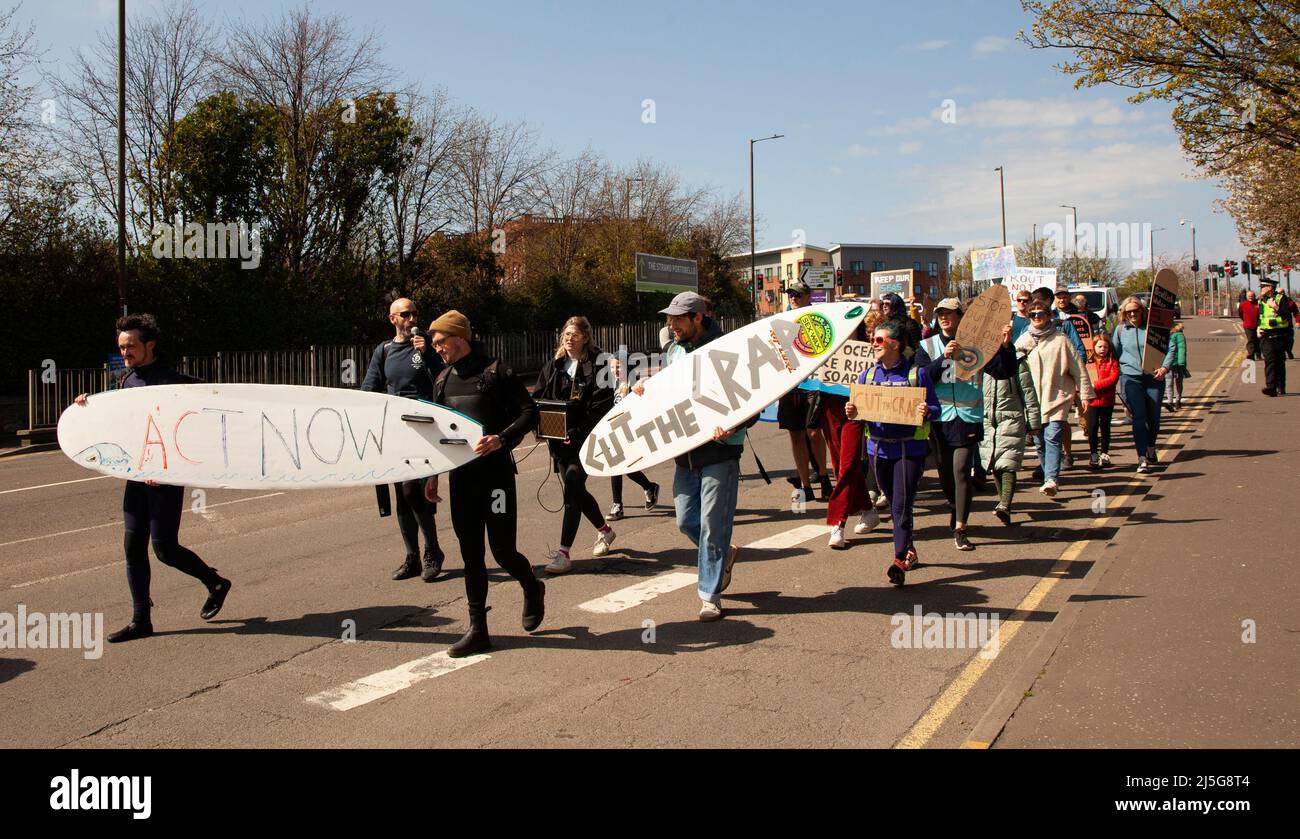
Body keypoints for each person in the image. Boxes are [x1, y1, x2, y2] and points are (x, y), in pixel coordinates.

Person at [73, 314, 231, 643]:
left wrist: (165, 468)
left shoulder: (174, 381)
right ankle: (140, 619)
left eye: (130, 346)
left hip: (165, 478)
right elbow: (121, 424)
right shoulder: (127, 381)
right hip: (135, 476)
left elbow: (201, 416)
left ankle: (215, 583)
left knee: (165, 549)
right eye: (121, 347)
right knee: (133, 547)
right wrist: (86, 409)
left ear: (150, 345)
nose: (125, 352)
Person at [424, 310, 545, 657]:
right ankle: (478, 630)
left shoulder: (497, 371)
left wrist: (501, 439)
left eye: (441, 342)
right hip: (462, 479)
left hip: (496, 479)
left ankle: (532, 586)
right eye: (434, 345)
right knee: (470, 554)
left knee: (503, 551)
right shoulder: (443, 379)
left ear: (459, 338)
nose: (438, 350)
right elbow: (435, 433)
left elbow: (530, 411)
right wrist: (432, 476)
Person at [634, 292, 751, 621]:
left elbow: (755, 393)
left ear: (698, 318)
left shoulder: (728, 348)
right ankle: (724, 554)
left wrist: (735, 423)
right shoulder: (673, 351)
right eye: (669, 319)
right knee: (687, 520)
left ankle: (709, 594)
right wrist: (645, 391)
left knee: (714, 524)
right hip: (685, 453)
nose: (670, 325)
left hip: (720, 451)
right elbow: (667, 394)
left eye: (677, 319)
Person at [846, 319, 939, 585]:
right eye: (872, 339)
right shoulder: (866, 377)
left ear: (895, 345)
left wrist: (927, 411)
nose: (873, 345)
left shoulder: (916, 375)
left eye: (878, 340)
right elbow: (858, 414)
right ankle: (909, 548)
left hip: (909, 450)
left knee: (901, 504)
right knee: (891, 500)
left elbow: (935, 408)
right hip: (878, 451)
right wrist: (852, 412)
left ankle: (899, 559)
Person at [361, 298, 446, 582]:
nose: (411, 319)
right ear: (393, 319)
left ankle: (432, 550)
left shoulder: (425, 347)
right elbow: (370, 388)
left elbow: (442, 380)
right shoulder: (383, 351)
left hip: (424, 429)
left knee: (414, 491)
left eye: (415, 313)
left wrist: (429, 354)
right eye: (405, 315)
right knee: (401, 496)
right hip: (396, 431)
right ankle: (412, 556)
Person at [921, 298, 1016, 550]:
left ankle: (961, 527)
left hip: (968, 418)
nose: (944, 317)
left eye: (950, 313)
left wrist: (1006, 346)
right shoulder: (927, 345)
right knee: (946, 477)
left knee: (962, 469)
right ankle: (955, 507)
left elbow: (1003, 371)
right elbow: (921, 379)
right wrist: (944, 357)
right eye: (940, 313)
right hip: (939, 419)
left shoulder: (977, 345)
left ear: (962, 317)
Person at [534, 316, 617, 574]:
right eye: (566, 334)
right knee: (577, 492)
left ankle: (563, 553)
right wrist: (541, 429)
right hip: (560, 444)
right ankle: (605, 531)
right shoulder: (554, 366)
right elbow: (538, 401)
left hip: (586, 441)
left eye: (575, 334)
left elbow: (600, 407)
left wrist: (576, 431)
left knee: (572, 487)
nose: (569, 338)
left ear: (585, 338)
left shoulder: (598, 365)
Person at [1016, 300, 1095, 495]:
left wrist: (1084, 394)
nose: (1036, 317)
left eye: (1040, 313)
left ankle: (1051, 479)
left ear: (1049, 315)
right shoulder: (1023, 340)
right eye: (1032, 314)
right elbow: (1011, 370)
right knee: (1039, 442)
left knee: (1052, 438)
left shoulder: (1061, 339)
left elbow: (1078, 368)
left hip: (1057, 396)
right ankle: (1047, 474)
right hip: (1032, 401)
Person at [823, 319, 877, 548]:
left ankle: (838, 522)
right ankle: (867, 508)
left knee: (848, 463)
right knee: (839, 465)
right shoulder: (826, 348)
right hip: (829, 407)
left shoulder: (869, 353)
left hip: (856, 409)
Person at [980, 322, 1041, 526]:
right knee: (995, 464)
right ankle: (1003, 503)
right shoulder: (983, 361)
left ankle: (1005, 504)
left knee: (1007, 463)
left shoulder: (1018, 361)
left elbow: (1028, 393)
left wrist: (1034, 423)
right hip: (988, 420)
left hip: (1011, 418)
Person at [778, 281, 831, 504]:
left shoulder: (817, 319)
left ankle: (823, 475)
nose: (793, 298)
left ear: (809, 297)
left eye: (798, 294)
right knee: (796, 436)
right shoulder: (780, 321)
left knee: (813, 432)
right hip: (790, 385)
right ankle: (805, 485)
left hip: (813, 383)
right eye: (791, 294)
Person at [1111, 296, 1174, 473]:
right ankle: (1142, 458)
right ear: (1124, 313)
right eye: (1128, 311)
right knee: (1139, 417)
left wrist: (1164, 368)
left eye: (1135, 310)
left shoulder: (1153, 329)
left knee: (1153, 418)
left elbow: (1170, 348)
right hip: (1131, 378)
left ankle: (1151, 447)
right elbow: (1114, 353)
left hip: (1153, 377)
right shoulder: (1121, 330)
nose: (1132, 314)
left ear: (1142, 311)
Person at [605, 356, 659, 521]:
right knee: (620, 467)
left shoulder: (635, 383)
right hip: (616, 431)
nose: (615, 371)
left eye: (619, 367)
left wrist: (641, 387)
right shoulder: (612, 385)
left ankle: (618, 506)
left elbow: (648, 396)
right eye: (613, 367)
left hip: (631, 431)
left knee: (620, 467)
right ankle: (649, 487)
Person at [1257, 277, 1298, 396]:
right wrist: (1258, 328)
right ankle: (1271, 387)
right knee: (1270, 361)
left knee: (1279, 362)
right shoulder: (1261, 300)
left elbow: (1287, 315)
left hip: (1280, 334)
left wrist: (1275, 307)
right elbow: (1260, 317)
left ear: (1270, 287)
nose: (1261, 289)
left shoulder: (1281, 298)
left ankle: (1281, 386)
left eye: (1263, 287)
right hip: (1266, 335)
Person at [1085, 333, 1119, 469]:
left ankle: (1104, 453)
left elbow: (1113, 378)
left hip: (1107, 401)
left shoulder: (1112, 361)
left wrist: (1096, 385)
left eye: (1105, 346)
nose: (1102, 349)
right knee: (1092, 428)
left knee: (1105, 428)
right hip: (1092, 401)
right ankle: (1093, 453)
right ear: (1094, 347)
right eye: (1099, 346)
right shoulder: (1089, 362)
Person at [1164, 322, 1189, 410]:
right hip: (1169, 363)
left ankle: (1178, 400)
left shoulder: (1179, 335)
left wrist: (1181, 362)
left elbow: (1182, 348)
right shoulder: (1168, 335)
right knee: (1169, 382)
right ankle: (1170, 401)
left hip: (1177, 363)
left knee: (1177, 382)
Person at [1239, 291, 1260, 360]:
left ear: (1254, 296)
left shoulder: (1258, 303)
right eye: (1249, 296)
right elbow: (1240, 314)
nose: (1250, 297)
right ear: (1247, 297)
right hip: (1248, 325)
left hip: (1258, 325)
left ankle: (1258, 354)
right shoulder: (1243, 304)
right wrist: (1245, 320)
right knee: (1250, 340)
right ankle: (1251, 354)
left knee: (1257, 340)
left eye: (1252, 296)